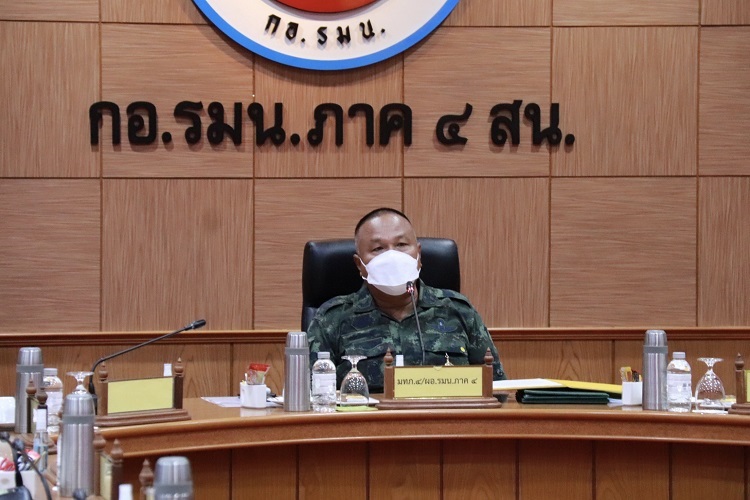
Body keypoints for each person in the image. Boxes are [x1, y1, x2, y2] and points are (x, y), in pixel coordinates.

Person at [307, 207, 506, 393]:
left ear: (418, 254)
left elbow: (497, 389)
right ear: (359, 264)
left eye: (401, 245)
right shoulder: (332, 320)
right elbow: (311, 396)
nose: (392, 256)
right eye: (378, 248)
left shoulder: (458, 310)